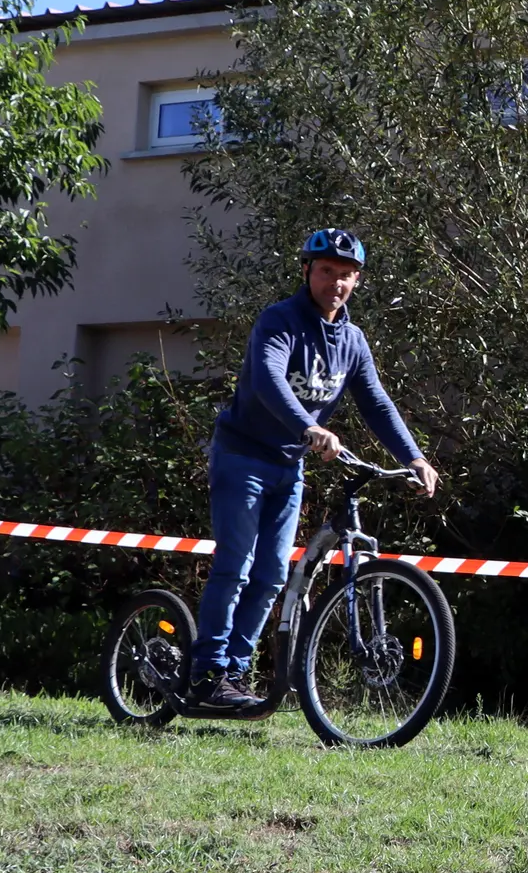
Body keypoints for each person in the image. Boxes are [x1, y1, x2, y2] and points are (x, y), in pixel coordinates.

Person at [188, 227, 440, 708]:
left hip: (289, 466)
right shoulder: (279, 321)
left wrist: (415, 456)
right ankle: (207, 674)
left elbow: (377, 404)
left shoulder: (354, 341)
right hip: (243, 456)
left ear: (358, 282)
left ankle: (234, 677)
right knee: (237, 567)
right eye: (327, 272)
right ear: (308, 272)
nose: (337, 283)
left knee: (271, 576)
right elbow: (267, 381)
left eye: (347, 275)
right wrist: (310, 427)